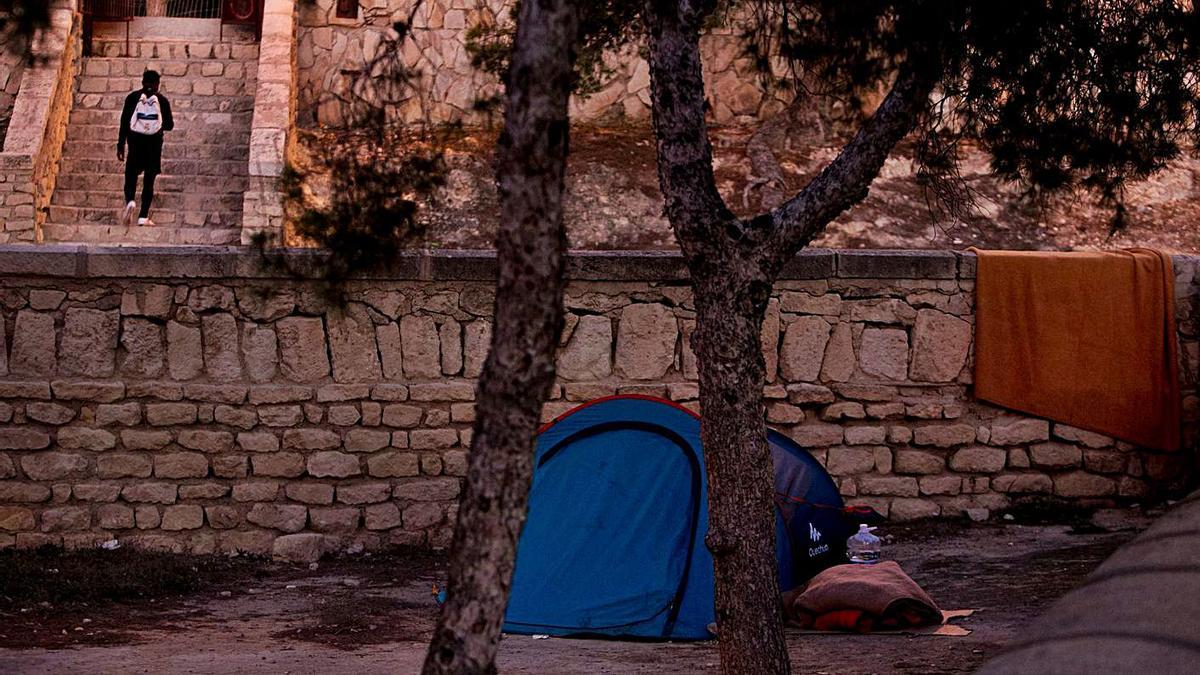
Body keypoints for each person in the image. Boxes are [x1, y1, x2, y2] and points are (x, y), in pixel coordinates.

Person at [117, 70, 174, 227]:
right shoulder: (162, 101)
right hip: (153, 147)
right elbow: (169, 125)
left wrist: (120, 144)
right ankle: (143, 216)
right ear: (157, 84)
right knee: (149, 181)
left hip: (135, 144)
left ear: (142, 82)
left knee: (131, 176)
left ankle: (130, 201)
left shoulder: (133, 98)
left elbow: (124, 122)